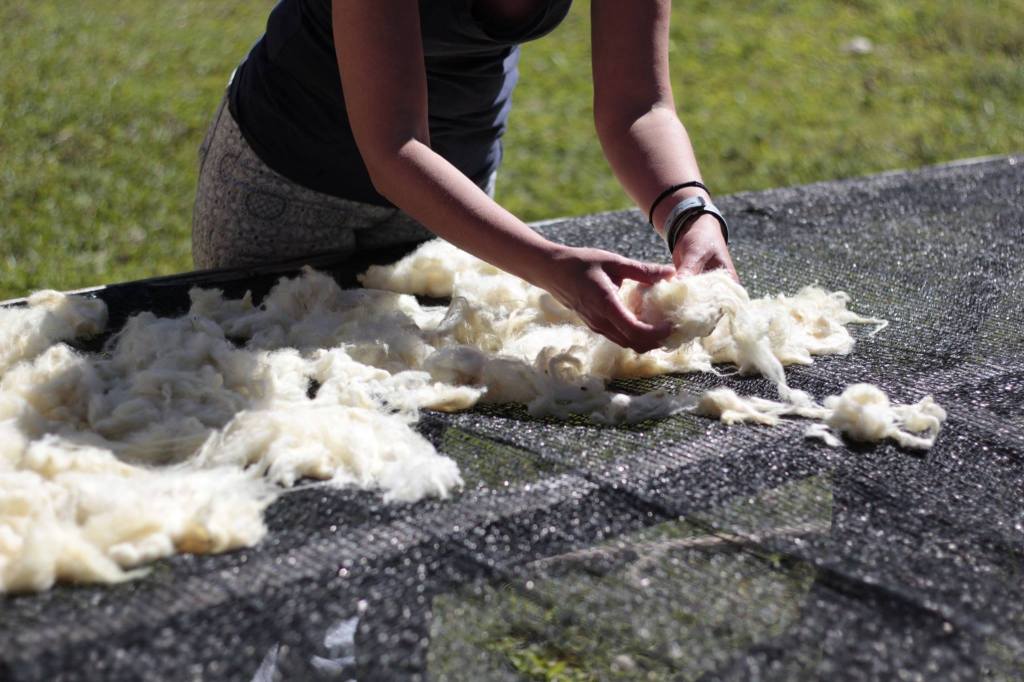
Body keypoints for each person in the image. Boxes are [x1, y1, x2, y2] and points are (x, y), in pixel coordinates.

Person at [192, 0, 738, 353]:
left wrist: (690, 214)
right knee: (260, 384)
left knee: (415, 411)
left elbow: (638, 105)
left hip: (454, 191)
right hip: (285, 174)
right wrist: (548, 264)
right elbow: (393, 149)